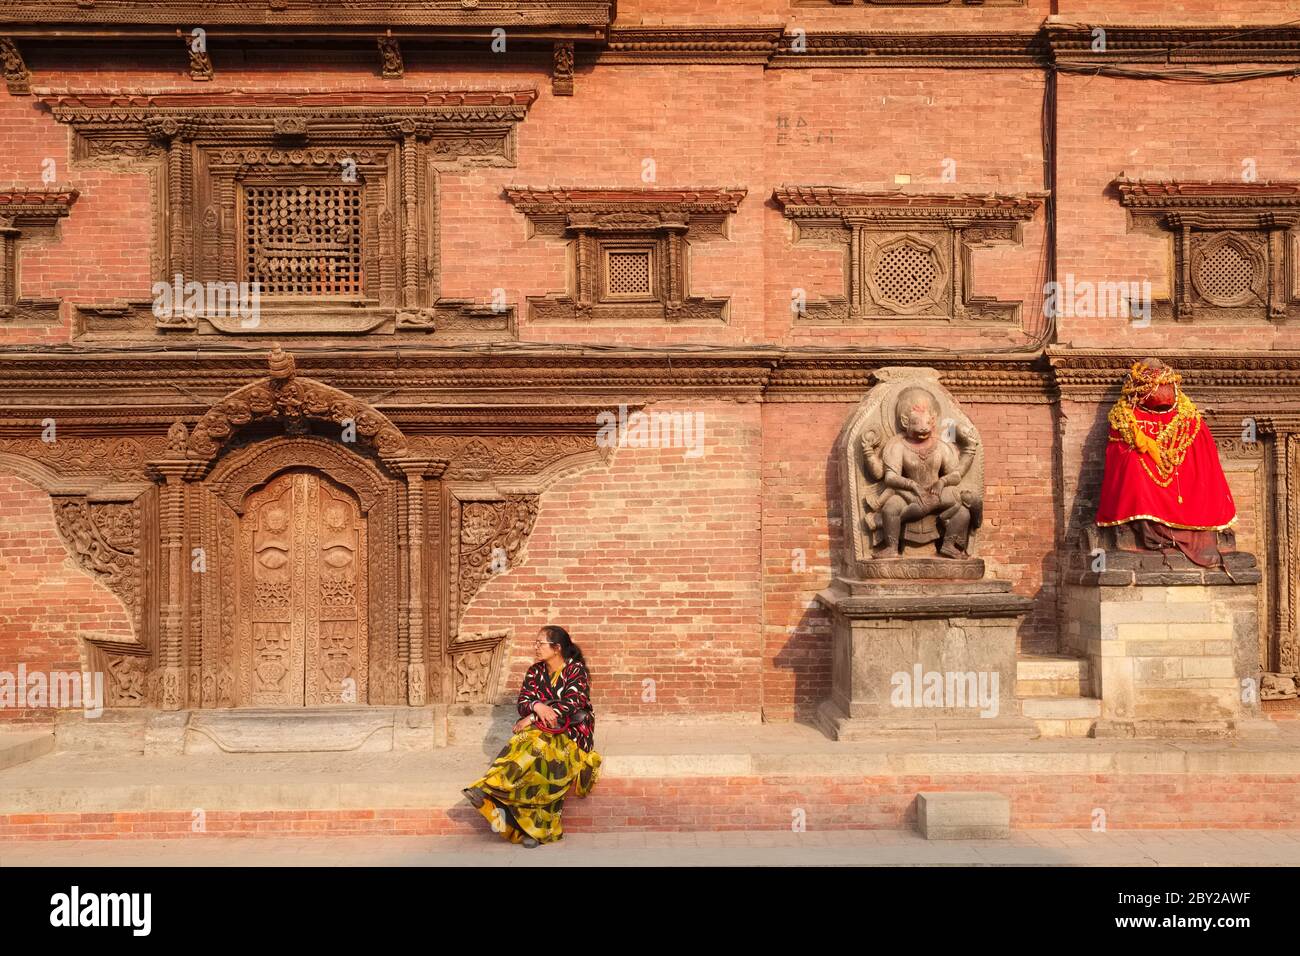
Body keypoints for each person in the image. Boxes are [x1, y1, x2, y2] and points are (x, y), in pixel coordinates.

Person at [462, 625, 601, 847]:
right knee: (527, 745)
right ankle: (521, 823)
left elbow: (572, 703)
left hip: (573, 732)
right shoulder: (535, 672)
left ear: (556, 648)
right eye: (535, 643)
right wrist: (537, 707)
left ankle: (496, 788)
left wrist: (534, 717)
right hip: (542, 730)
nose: (536, 648)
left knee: (540, 748)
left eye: (540, 643)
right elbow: (523, 702)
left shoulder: (576, 670)